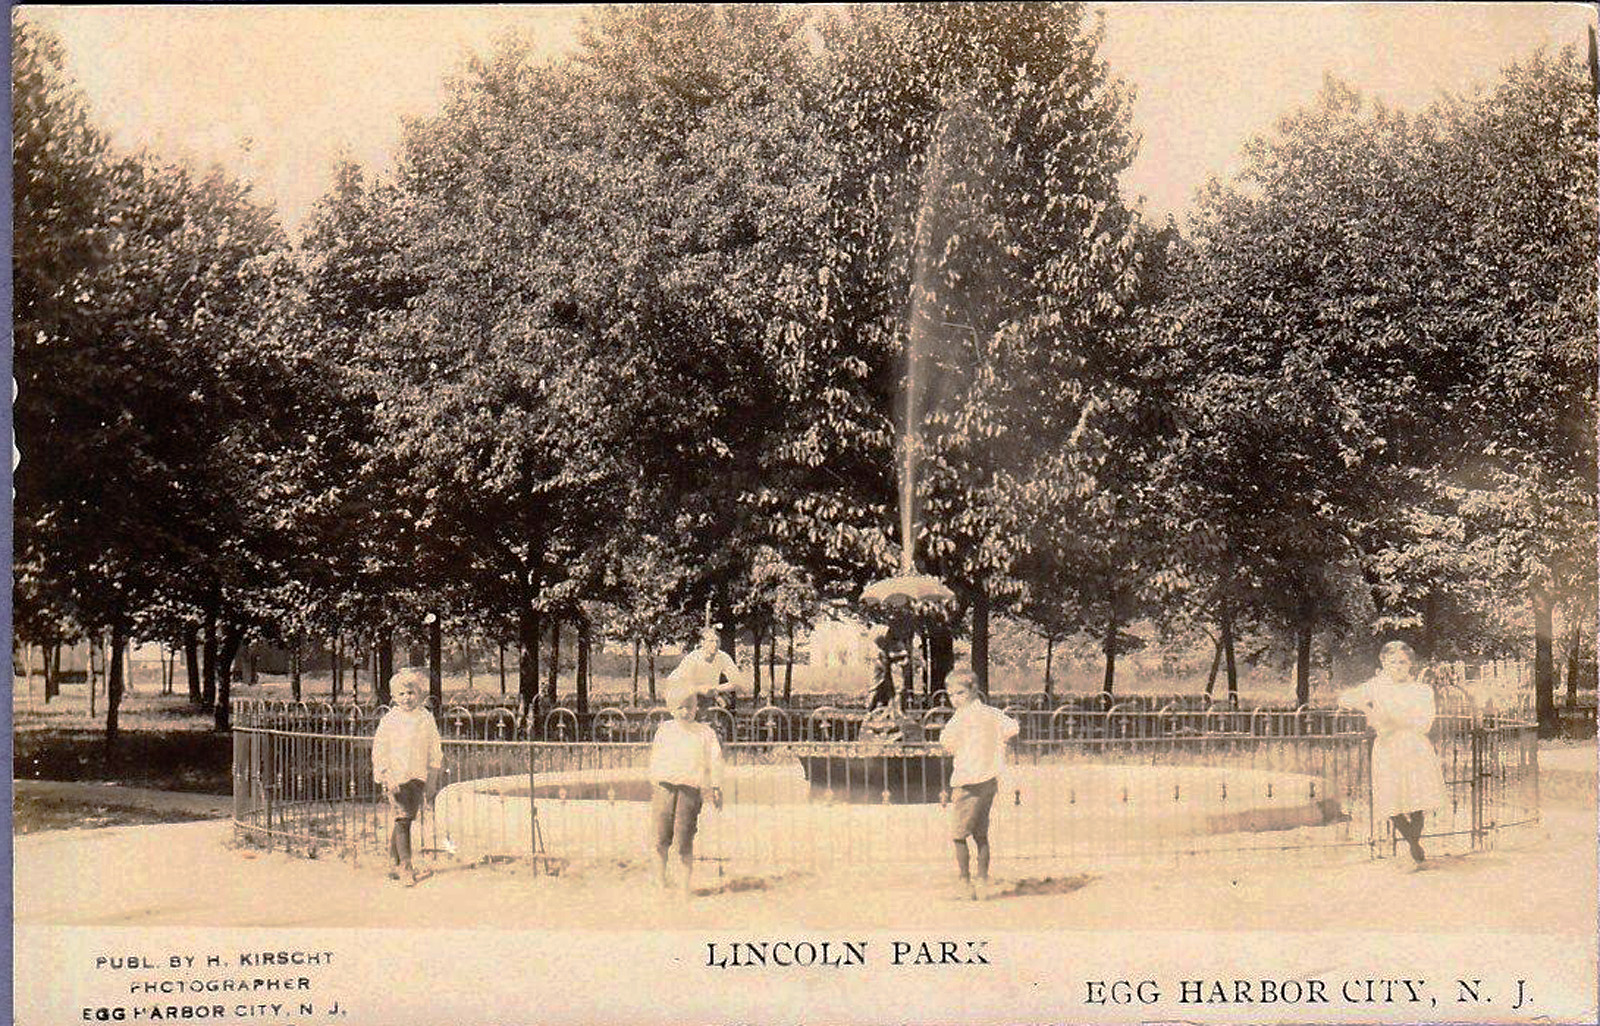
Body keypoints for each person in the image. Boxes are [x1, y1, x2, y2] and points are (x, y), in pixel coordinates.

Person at [1337, 640, 1448, 871]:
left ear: (1411, 665)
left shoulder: (1421, 690)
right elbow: (1346, 698)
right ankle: (1413, 842)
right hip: (1388, 748)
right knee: (1392, 800)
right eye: (1392, 661)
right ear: (1383, 662)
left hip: (1414, 746)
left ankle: (1414, 846)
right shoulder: (1377, 686)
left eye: (1403, 662)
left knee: (1417, 799)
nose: (1398, 666)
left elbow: (1425, 722)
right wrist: (1367, 709)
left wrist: (1394, 719)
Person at [938, 670, 1019, 900]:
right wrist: (996, 744)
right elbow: (1012, 728)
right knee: (981, 834)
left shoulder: (960, 718)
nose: (955, 699)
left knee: (958, 835)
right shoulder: (992, 714)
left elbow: (946, 743)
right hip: (989, 779)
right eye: (951, 694)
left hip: (967, 782)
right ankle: (982, 880)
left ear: (973, 689)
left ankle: (965, 882)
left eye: (960, 693)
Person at [648, 685, 724, 899]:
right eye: (680, 707)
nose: (685, 712)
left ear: (697, 708)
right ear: (672, 709)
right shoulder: (665, 730)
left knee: (684, 839)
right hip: (664, 787)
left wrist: (715, 786)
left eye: (690, 707)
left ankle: (684, 887)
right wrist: (655, 782)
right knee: (660, 838)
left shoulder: (704, 733)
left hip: (690, 790)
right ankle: (659, 881)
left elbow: (715, 761)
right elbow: (656, 757)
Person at [371, 668, 444, 885]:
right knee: (403, 820)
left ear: (420, 694)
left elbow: (434, 746)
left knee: (406, 818)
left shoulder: (426, 718)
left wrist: (433, 774)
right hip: (396, 776)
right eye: (401, 694)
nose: (407, 698)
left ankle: (392, 862)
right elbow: (380, 749)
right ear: (394, 697)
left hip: (418, 775)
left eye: (411, 693)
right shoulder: (390, 720)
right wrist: (386, 775)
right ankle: (406, 867)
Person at [666, 625, 741, 715]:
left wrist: (716, 689)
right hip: (682, 693)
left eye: (717, 641)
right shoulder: (692, 659)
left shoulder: (723, 657)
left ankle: (720, 726)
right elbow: (684, 684)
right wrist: (701, 689)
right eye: (711, 641)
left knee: (725, 703)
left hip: (708, 693)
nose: (714, 645)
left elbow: (737, 682)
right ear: (702, 643)